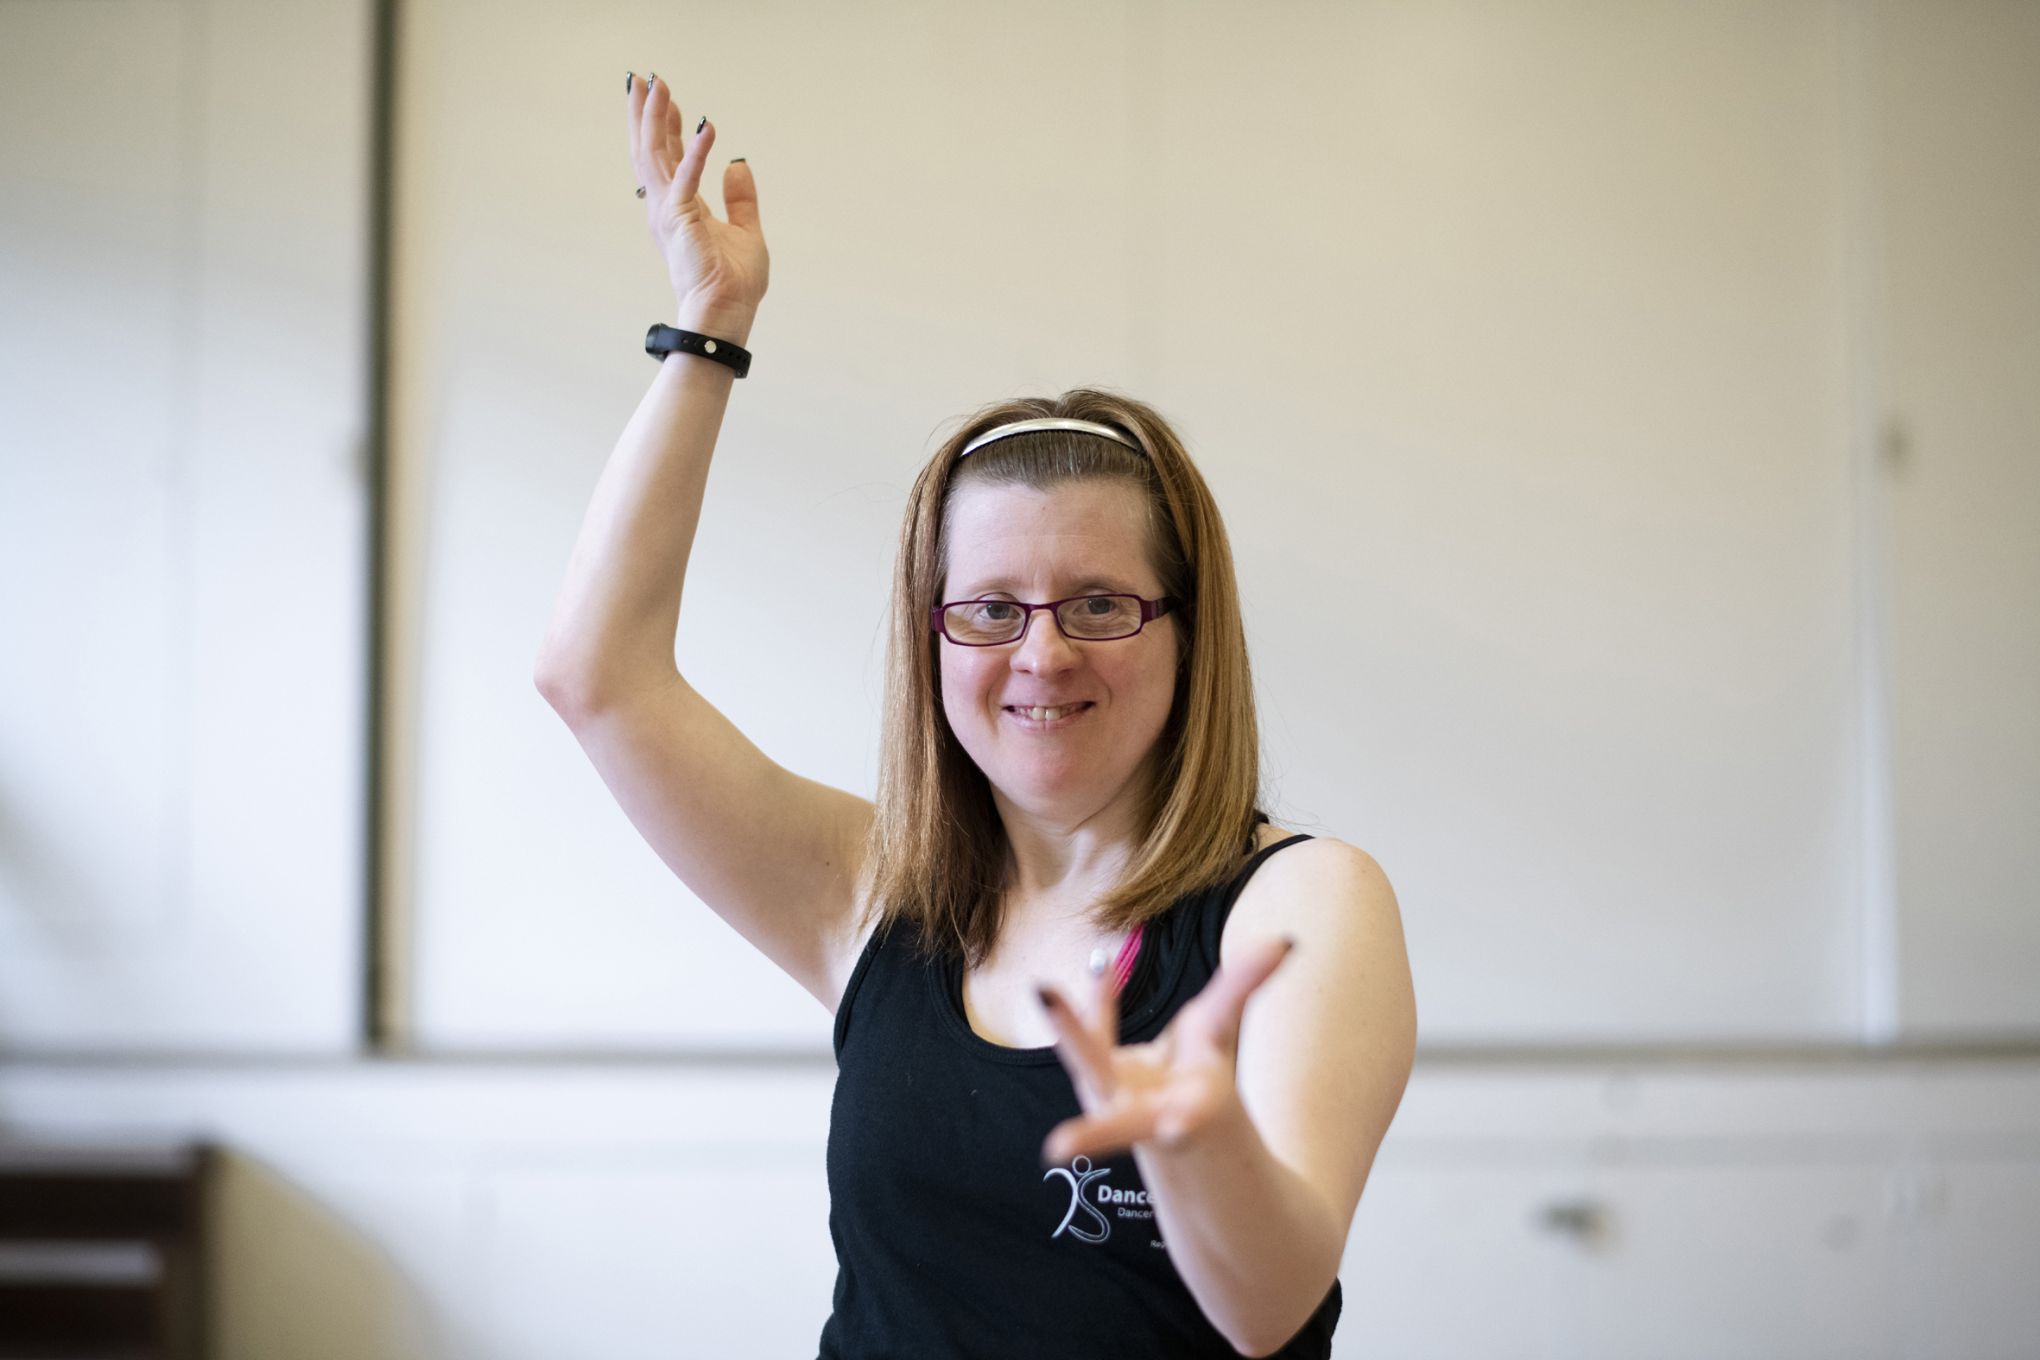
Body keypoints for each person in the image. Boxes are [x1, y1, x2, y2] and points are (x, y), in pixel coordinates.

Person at [534, 71, 1417, 1359]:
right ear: (932, 633)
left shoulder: (1299, 906)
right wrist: (709, 331)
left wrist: (1200, 1142)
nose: (1040, 655)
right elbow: (594, 674)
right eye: (989, 608)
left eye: (1100, 604)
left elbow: (1269, 1304)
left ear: (1187, 630)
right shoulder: (868, 892)